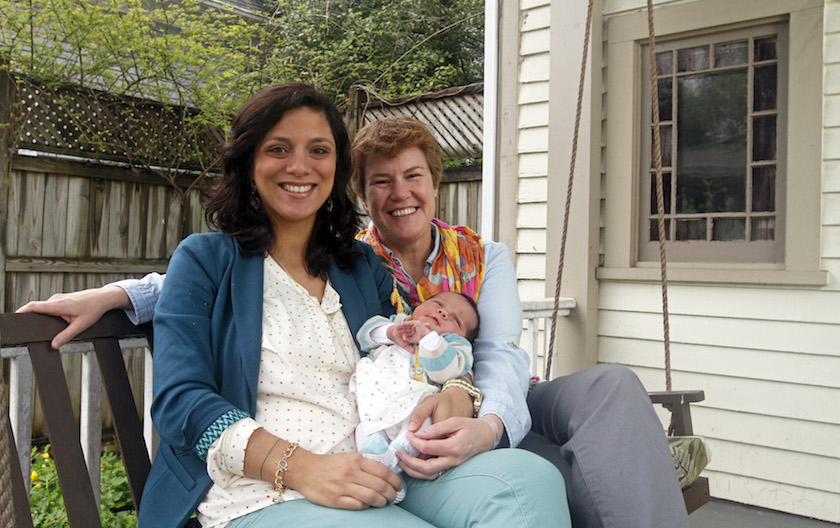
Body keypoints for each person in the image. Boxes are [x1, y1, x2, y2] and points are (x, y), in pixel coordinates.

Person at [19, 113, 685, 528]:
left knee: (532, 481)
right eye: (279, 148)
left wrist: (465, 400)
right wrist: (119, 294)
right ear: (250, 163)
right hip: (267, 485)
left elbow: (483, 353)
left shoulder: (358, 269)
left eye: (318, 150)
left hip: (393, 446)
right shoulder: (219, 258)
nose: (300, 165)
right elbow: (185, 381)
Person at [352, 291, 483, 503]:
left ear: (462, 337)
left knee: (420, 427)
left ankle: (394, 465)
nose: (442, 312)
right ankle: (375, 466)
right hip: (378, 402)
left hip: (414, 405)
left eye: (455, 319)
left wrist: (429, 339)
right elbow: (365, 335)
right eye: (438, 303)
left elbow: (448, 371)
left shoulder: (453, 346)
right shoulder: (399, 322)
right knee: (362, 429)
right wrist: (390, 332)